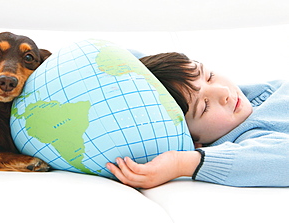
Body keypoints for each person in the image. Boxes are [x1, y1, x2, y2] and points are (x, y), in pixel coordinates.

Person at [106, 52, 289, 189]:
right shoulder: (249, 139)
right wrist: (182, 164)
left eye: (209, 77)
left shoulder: (255, 94)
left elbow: (129, 56)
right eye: (204, 106)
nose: (223, 91)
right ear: (194, 141)